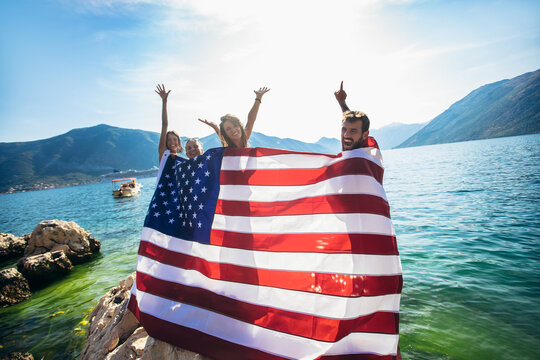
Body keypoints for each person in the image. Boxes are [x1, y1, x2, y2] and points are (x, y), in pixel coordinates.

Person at [199, 87, 270, 148]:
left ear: (240, 127)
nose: (233, 130)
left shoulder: (244, 139)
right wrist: (215, 128)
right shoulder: (226, 149)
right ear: (225, 134)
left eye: (235, 126)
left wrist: (258, 98)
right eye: (228, 129)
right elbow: (222, 138)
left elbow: (251, 120)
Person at [334, 81, 378, 151]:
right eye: (344, 129)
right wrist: (341, 102)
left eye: (353, 131)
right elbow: (349, 120)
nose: (346, 135)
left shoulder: (358, 160)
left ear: (365, 135)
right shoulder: (367, 149)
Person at [155, 84, 183, 164]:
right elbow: (164, 124)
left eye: (174, 139)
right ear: (165, 142)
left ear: (178, 142)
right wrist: (164, 101)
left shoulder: (181, 162)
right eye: (169, 140)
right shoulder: (163, 154)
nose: (172, 142)